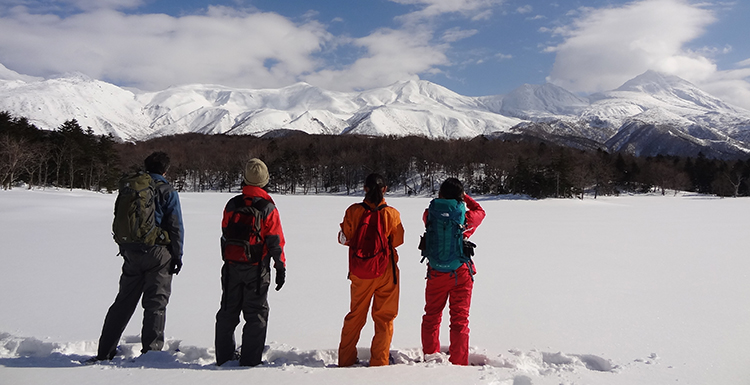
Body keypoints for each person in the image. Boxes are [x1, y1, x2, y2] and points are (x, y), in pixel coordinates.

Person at [95, 151, 185, 360]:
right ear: (165, 169)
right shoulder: (167, 190)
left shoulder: (133, 187)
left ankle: (105, 350)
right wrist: (177, 255)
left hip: (131, 251)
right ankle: (151, 353)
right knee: (155, 303)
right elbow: (175, 226)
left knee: (123, 302)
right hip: (158, 253)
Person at [215, 158, 286, 367]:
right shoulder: (268, 208)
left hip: (231, 267)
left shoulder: (232, 204)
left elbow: (225, 232)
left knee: (228, 312)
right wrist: (280, 267)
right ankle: (250, 361)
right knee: (256, 314)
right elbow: (276, 242)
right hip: (256, 269)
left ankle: (224, 357)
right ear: (265, 181)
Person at [337, 173, 404, 367]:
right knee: (384, 317)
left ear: (364, 188)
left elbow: (344, 238)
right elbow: (398, 240)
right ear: (385, 189)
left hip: (360, 271)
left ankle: (346, 359)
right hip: (386, 271)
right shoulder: (392, 213)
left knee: (355, 315)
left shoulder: (353, 211)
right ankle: (379, 361)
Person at [420, 178, 485, 366]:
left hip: (435, 273)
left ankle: (431, 356)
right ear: (460, 196)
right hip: (461, 274)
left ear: (440, 194)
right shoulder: (465, 217)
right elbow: (481, 211)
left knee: (431, 316)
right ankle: (459, 362)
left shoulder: (430, 214)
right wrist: (465, 197)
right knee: (459, 319)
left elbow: (427, 218)